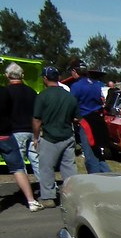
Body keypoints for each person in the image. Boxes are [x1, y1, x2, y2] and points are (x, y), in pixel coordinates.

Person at [31, 66, 79, 208]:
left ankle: (48, 197)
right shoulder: (69, 96)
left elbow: (37, 119)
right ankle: (73, 195)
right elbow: (76, 118)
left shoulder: (43, 96)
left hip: (50, 137)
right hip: (67, 135)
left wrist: (35, 136)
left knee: (46, 168)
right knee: (69, 168)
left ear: (45, 79)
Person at [0, 78, 41, 210]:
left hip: (13, 131)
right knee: (18, 168)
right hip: (5, 133)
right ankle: (31, 201)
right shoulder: (4, 92)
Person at [69, 61, 111, 173]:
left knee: (90, 156)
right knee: (98, 153)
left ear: (74, 71)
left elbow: (71, 105)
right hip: (98, 120)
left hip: (86, 121)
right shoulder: (96, 84)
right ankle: (108, 176)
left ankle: (95, 181)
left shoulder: (76, 86)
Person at [5, 62, 39, 179]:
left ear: (7, 75)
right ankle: (48, 187)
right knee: (37, 161)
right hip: (33, 130)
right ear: (22, 76)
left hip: (15, 131)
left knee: (20, 164)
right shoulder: (32, 92)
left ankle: (26, 189)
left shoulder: (6, 92)